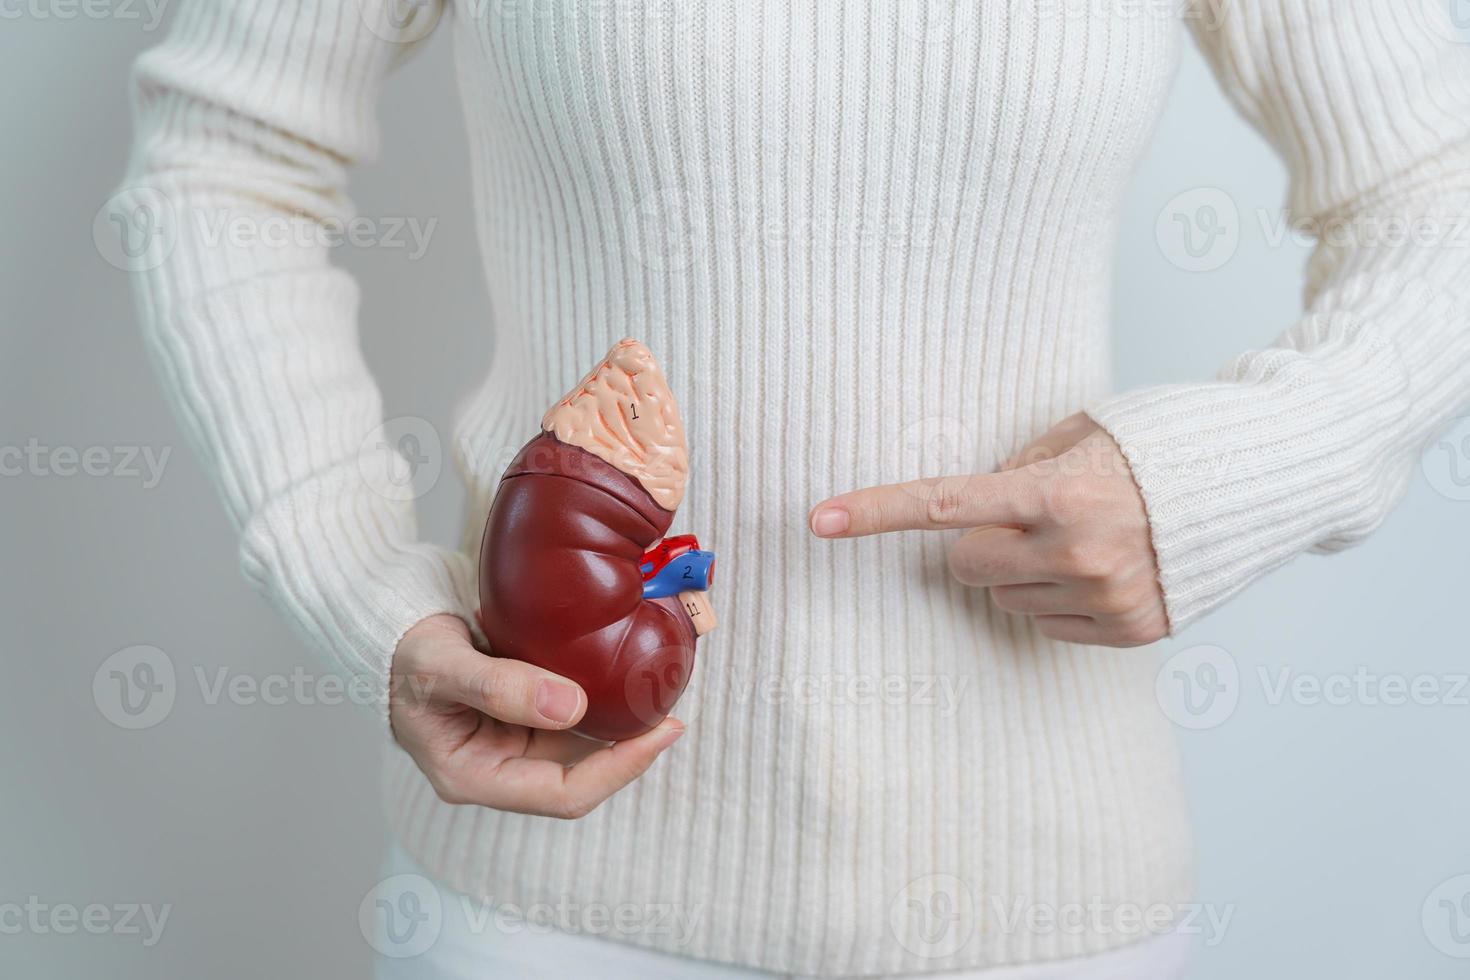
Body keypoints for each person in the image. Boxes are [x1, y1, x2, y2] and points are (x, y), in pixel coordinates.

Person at [120, 1, 1470, 976]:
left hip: (1045, 904)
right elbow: (226, 164)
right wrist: (358, 587)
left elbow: (1437, 186)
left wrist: (1228, 476)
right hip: (547, 899)